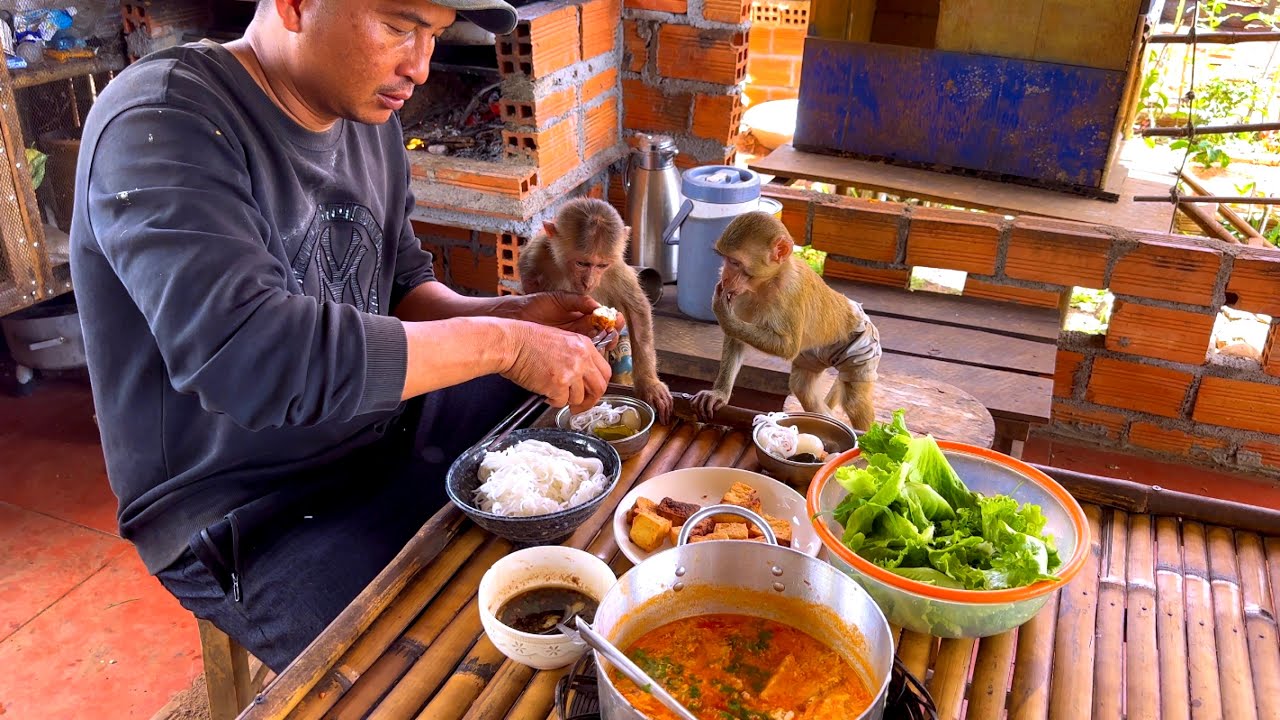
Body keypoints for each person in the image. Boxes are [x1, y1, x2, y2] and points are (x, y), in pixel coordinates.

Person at [68, 0, 614, 672]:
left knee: (571, 455)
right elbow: (255, 357)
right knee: (434, 675)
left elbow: (401, 290)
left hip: (374, 425)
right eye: (399, 25)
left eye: (435, 36)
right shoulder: (158, 120)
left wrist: (514, 317)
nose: (419, 65)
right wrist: (503, 344)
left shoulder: (367, 113)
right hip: (250, 501)